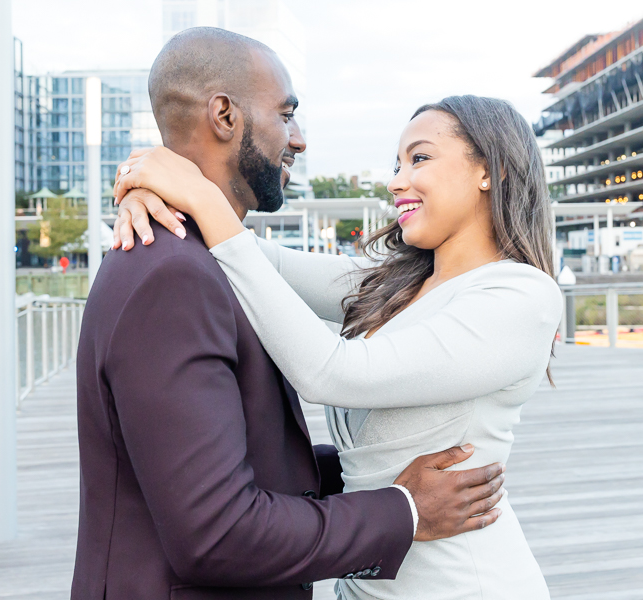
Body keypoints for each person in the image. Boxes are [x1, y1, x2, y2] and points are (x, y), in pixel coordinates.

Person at [72, 28, 507, 600]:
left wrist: (151, 182)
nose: (298, 140)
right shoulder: (174, 275)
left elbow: (248, 454)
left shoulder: (208, 259)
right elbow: (218, 534)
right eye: (287, 114)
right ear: (225, 116)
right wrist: (403, 511)